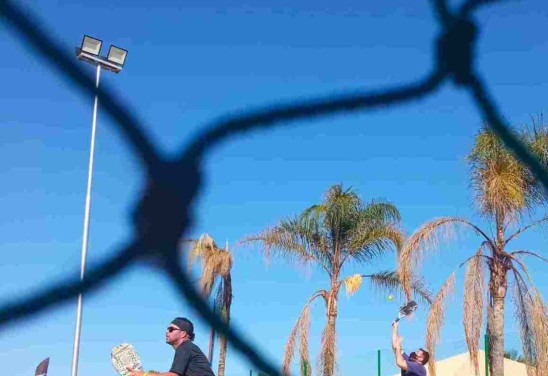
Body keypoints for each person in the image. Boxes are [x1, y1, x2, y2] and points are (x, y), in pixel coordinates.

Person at [128, 317, 215, 376]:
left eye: (171, 329)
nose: (167, 332)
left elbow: (172, 375)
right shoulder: (188, 348)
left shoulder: (185, 347)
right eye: (167, 329)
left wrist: (143, 374)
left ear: (183, 333)